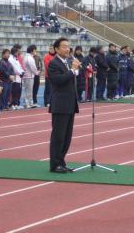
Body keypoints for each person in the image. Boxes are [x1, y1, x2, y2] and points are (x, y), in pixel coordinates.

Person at [48, 37, 81, 173]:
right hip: (60, 105)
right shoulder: (53, 63)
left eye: (68, 46)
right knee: (58, 136)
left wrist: (75, 70)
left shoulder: (67, 62)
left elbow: (70, 78)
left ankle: (61, 161)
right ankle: (55, 164)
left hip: (70, 104)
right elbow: (59, 80)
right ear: (56, 49)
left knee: (67, 137)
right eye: (64, 46)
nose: (67, 49)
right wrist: (72, 71)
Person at [8, 45, 25, 110]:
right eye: (17, 52)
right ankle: (12, 104)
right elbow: (14, 68)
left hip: (18, 77)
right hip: (14, 77)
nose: (18, 53)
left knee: (18, 91)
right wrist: (20, 73)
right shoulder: (11, 59)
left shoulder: (16, 58)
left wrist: (22, 72)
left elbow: (20, 66)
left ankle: (16, 103)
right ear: (14, 52)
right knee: (13, 91)